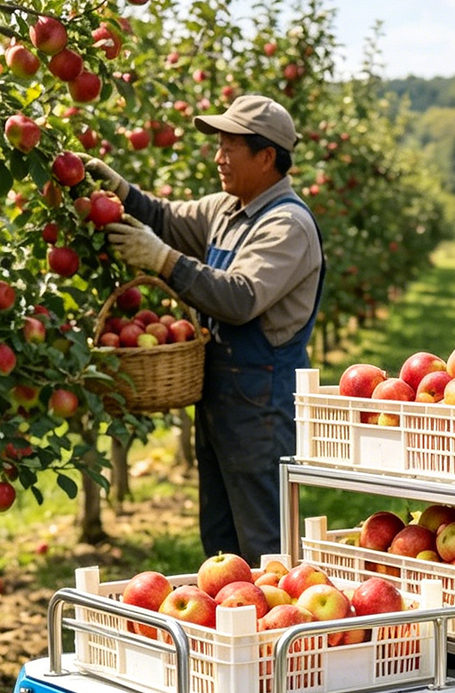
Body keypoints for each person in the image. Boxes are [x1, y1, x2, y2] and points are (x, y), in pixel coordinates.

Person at [87, 94, 325, 565]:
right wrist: (120, 190)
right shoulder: (226, 209)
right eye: (218, 145)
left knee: (266, 545)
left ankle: (280, 638)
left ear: (266, 156)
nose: (218, 157)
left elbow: (239, 298)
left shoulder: (287, 225)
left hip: (262, 404)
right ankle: (231, 630)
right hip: (219, 397)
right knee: (219, 544)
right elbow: (168, 219)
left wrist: (161, 260)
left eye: (229, 146)